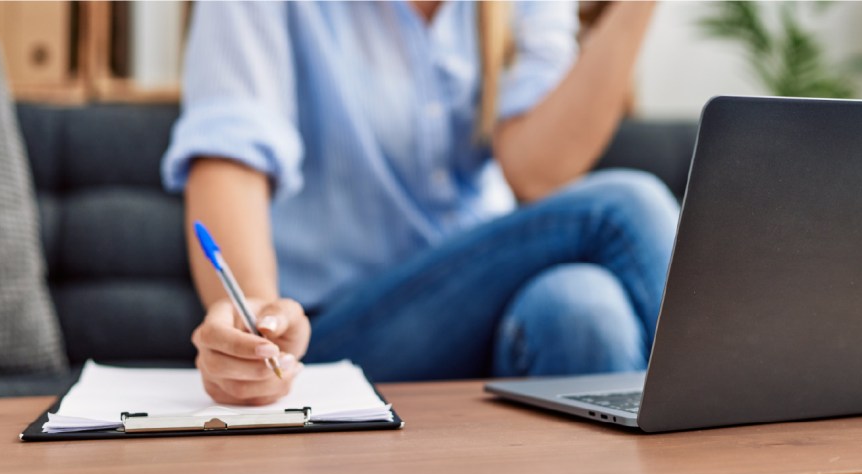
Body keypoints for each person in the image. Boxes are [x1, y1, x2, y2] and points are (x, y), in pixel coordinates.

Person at [162, 1, 679, 406]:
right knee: (628, 205)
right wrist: (257, 318)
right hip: (341, 332)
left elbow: (535, 171)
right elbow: (231, 157)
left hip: (490, 309)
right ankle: (730, 440)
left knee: (583, 308)